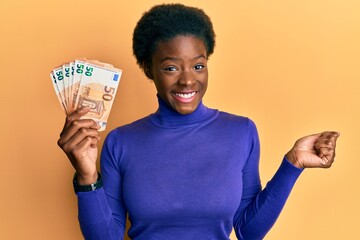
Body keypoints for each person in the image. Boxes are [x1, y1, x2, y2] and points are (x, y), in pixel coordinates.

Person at [57, 3, 339, 240]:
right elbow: (106, 237)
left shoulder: (241, 132)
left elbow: (247, 230)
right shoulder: (121, 142)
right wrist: (86, 177)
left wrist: (293, 164)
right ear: (147, 68)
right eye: (170, 67)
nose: (188, 79)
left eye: (198, 65)